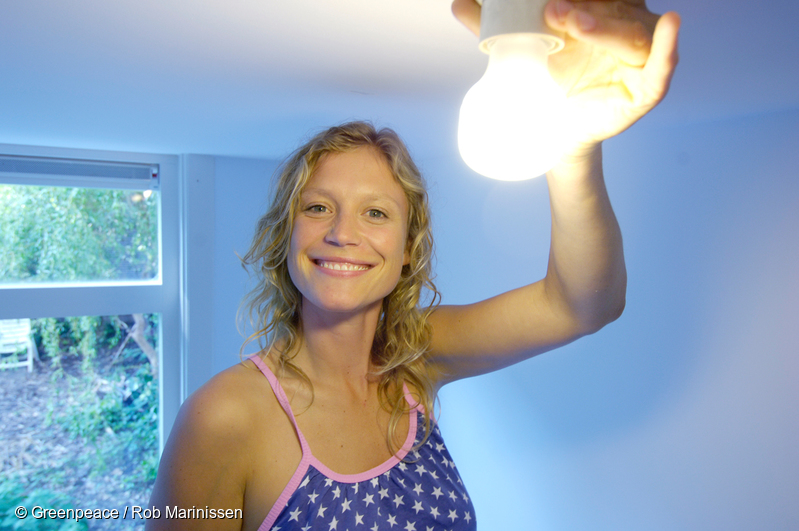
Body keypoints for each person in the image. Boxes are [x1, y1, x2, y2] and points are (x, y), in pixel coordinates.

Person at [147, 1, 680, 529]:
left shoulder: (416, 359)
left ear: (407, 251)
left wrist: (573, 148)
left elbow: (584, 304)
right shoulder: (224, 416)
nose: (341, 232)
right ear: (288, 234)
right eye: (317, 207)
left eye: (375, 212)